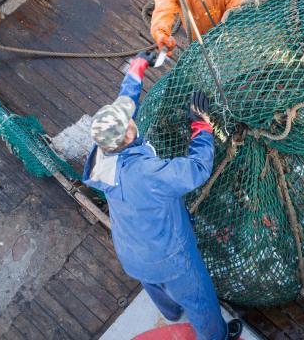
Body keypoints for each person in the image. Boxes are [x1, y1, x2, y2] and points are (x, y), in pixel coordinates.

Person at [83, 52, 243, 340]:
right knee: (200, 300)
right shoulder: (144, 173)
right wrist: (202, 128)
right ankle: (217, 337)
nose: (132, 118)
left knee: (156, 286)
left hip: (131, 253)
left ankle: (170, 312)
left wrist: (136, 71)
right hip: (169, 257)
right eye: (129, 121)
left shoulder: (102, 155)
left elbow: (124, 105)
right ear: (128, 135)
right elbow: (196, 170)